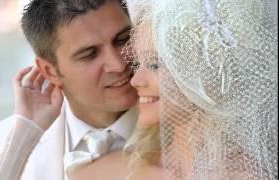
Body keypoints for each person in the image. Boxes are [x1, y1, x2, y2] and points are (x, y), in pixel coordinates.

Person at [70, 0, 278, 179]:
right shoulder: (103, 174)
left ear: (206, 74)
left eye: (154, 65)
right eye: (136, 64)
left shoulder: (254, 175)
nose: (135, 81)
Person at [0, 0, 139, 180]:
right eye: (90, 54)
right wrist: (22, 139)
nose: (118, 64)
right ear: (49, 71)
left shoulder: (174, 121)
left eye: (123, 39)